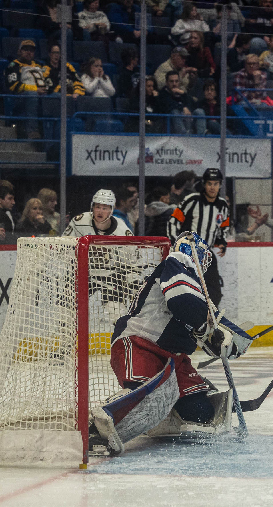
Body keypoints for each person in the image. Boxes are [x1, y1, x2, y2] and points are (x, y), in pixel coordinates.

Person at [94, 232, 247, 454]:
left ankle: (166, 416)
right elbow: (182, 301)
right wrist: (207, 328)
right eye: (202, 257)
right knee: (149, 402)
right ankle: (97, 427)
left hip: (173, 360)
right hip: (140, 344)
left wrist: (235, 343)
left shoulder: (196, 290)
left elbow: (214, 329)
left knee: (201, 413)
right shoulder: (177, 262)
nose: (204, 264)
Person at [168, 168, 231, 306]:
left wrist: (221, 241)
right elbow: (173, 222)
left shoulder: (222, 205)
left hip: (206, 253)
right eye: (209, 183)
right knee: (188, 291)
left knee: (214, 292)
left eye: (215, 183)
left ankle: (208, 320)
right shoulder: (192, 200)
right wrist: (175, 244)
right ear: (204, 184)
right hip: (187, 253)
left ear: (220, 184)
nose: (212, 187)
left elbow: (224, 226)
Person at [5, 39, 46, 139]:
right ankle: (32, 131)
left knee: (56, 96)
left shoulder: (39, 65)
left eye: (31, 50)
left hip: (40, 94)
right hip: (21, 97)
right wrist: (35, 90)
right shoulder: (13, 66)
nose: (28, 52)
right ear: (19, 51)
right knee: (32, 95)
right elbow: (15, 86)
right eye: (25, 49)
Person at [63, 189, 134, 236]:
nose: (100, 211)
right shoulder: (78, 222)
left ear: (111, 210)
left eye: (104, 208)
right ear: (92, 207)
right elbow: (63, 245)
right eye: (97, 207)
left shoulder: (122, 229)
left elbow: (133, 254)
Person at [157, 69, 204, 135]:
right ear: (166, 82)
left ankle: (201, 137)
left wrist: (184, 94)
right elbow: (169, 105)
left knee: (199, 111)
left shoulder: (181, 92)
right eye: (171, 81)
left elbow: (194, 105)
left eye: (176, 81)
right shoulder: (162, 94)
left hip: (188, 121)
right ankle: (183, 136)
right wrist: (183, 108)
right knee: (175, 112)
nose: (174, 84)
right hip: (171, 124)